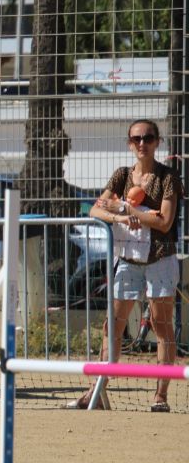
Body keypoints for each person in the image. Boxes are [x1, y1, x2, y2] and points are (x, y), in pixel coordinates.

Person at [72, 119, 182, 412]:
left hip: (160, 257)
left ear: (158, 142)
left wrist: (127, 208)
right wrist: (121, 217)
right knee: (113, 326)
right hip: (128, 258)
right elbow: (97, 208)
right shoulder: (121, 175)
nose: (142, 143)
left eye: (147, 138)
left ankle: (160, 396)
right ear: (129, 143)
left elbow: (165, 221)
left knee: (162, 326)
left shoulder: (168, 177)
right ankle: (95, 391)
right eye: (136, 139)